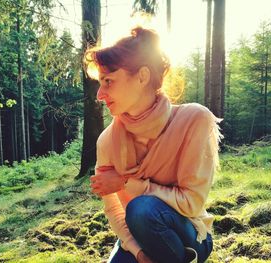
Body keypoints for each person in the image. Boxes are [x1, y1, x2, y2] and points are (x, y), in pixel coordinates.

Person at [85, 26, 223, 263]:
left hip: (189, 234)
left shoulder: (193, 120)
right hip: (138, 236)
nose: (100, 94)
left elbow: (191, 203)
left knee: (142, 210)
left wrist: (125, 183)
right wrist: (138, 253)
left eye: (108, 81)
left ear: (142, 76)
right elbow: (115, 210)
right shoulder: (107, 141)